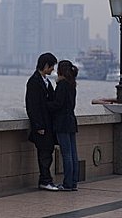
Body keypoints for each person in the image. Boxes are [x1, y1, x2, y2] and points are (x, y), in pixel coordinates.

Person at [25, 52, 58, 191]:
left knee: (48, 152)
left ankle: (45, 179)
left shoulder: (46, 81)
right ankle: (45, 180)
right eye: (51, 67)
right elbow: (31, 105)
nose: (53, 70)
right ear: (45, 65)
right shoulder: (34, 81)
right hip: (41, 126)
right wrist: (37, 125)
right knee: (44, 153)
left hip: (48, 124)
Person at [48, 60, 79, 191]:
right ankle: (73, 183)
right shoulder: (72, 85)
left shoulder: (62, 85)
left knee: (66, 154)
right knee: (73, 153)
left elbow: (58, 104)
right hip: (71, 121)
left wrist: (45, 104)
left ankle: (67, 184)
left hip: (62, 123)